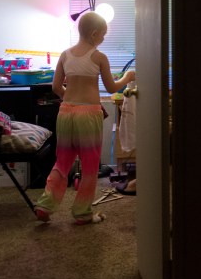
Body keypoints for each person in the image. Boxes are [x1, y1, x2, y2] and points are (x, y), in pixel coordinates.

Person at [34, 11, 135, 224]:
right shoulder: (99, 57)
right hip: (88, 114)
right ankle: (82, 213)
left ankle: (45, 205)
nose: (104, 38)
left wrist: (69, 97)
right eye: (103, 34)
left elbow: (55, 87)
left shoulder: (65, 54)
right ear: (95, 33)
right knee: (89, 166)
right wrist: (127, 77)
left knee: (62, 162)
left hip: (66, 112)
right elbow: (110, 87)